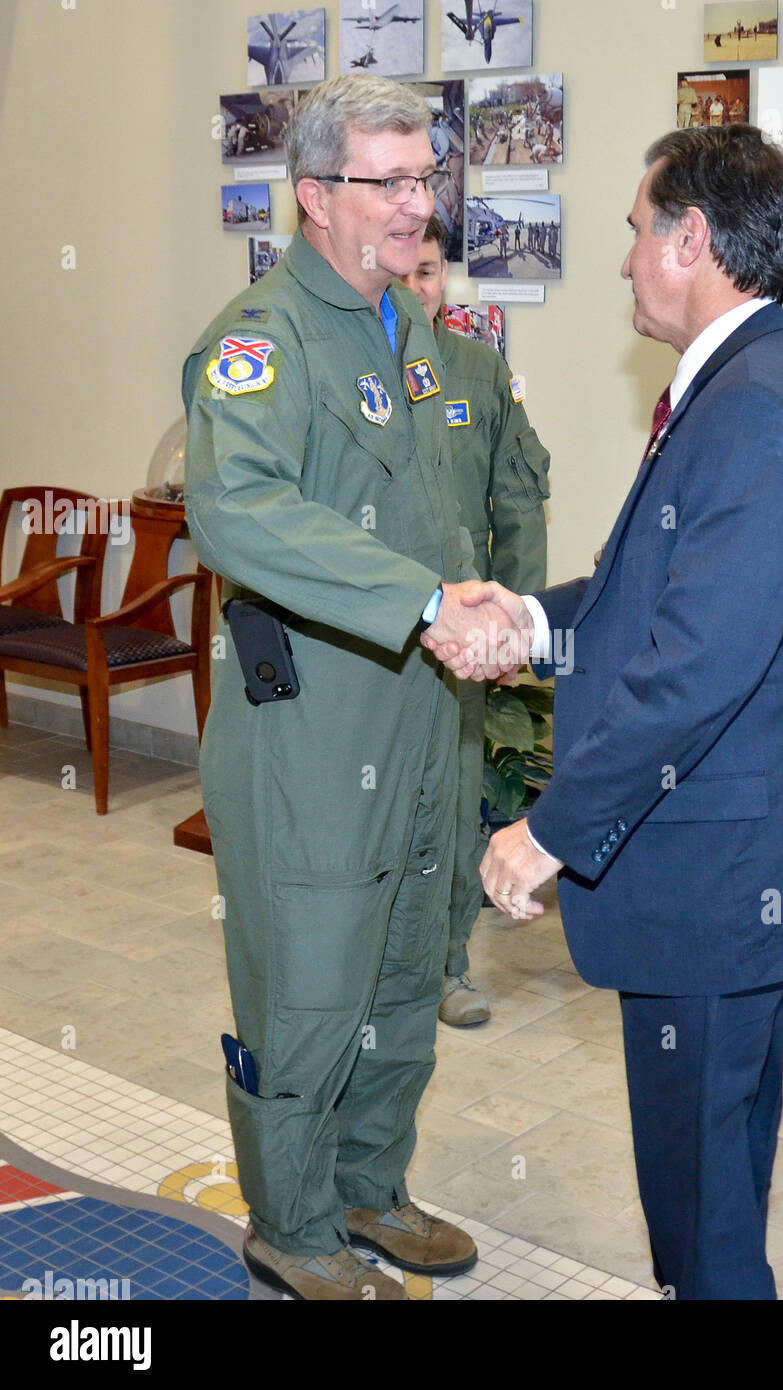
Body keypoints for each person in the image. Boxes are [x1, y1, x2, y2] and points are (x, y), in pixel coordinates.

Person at [427, 125, 783, 1300]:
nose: (626, 258)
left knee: (696, 1207)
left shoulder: (747, 412)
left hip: (724, 872)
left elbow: (692, 669)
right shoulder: (755, 381)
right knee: (722, 1161)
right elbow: (661, 591)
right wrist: (532, 623)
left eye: (638, 229)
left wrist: (543, 833)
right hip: (765, 852)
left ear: (693, 239)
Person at [182, 73, 524, 1302]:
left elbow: (453, 509)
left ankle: (371, 1189)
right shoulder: (258, 343)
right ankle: (292, 1221)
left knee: (399, 976)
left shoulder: (422, 334)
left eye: (424, 177)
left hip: (427, 717)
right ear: (315, 195)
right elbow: (239, 512)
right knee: (313, 984)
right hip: (313, 726)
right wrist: (430, 604)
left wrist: (489, 608)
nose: (414, 205)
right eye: (389, 181)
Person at [400, 215, 550, 1026]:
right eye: (404, 272)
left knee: (453, 803)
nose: (416, 288)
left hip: (458, 642)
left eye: (429, 272)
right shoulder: (342, 374)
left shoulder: (477, 372)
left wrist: (521, 619)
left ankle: (448, 967)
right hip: (370, 639)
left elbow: (519, 499)